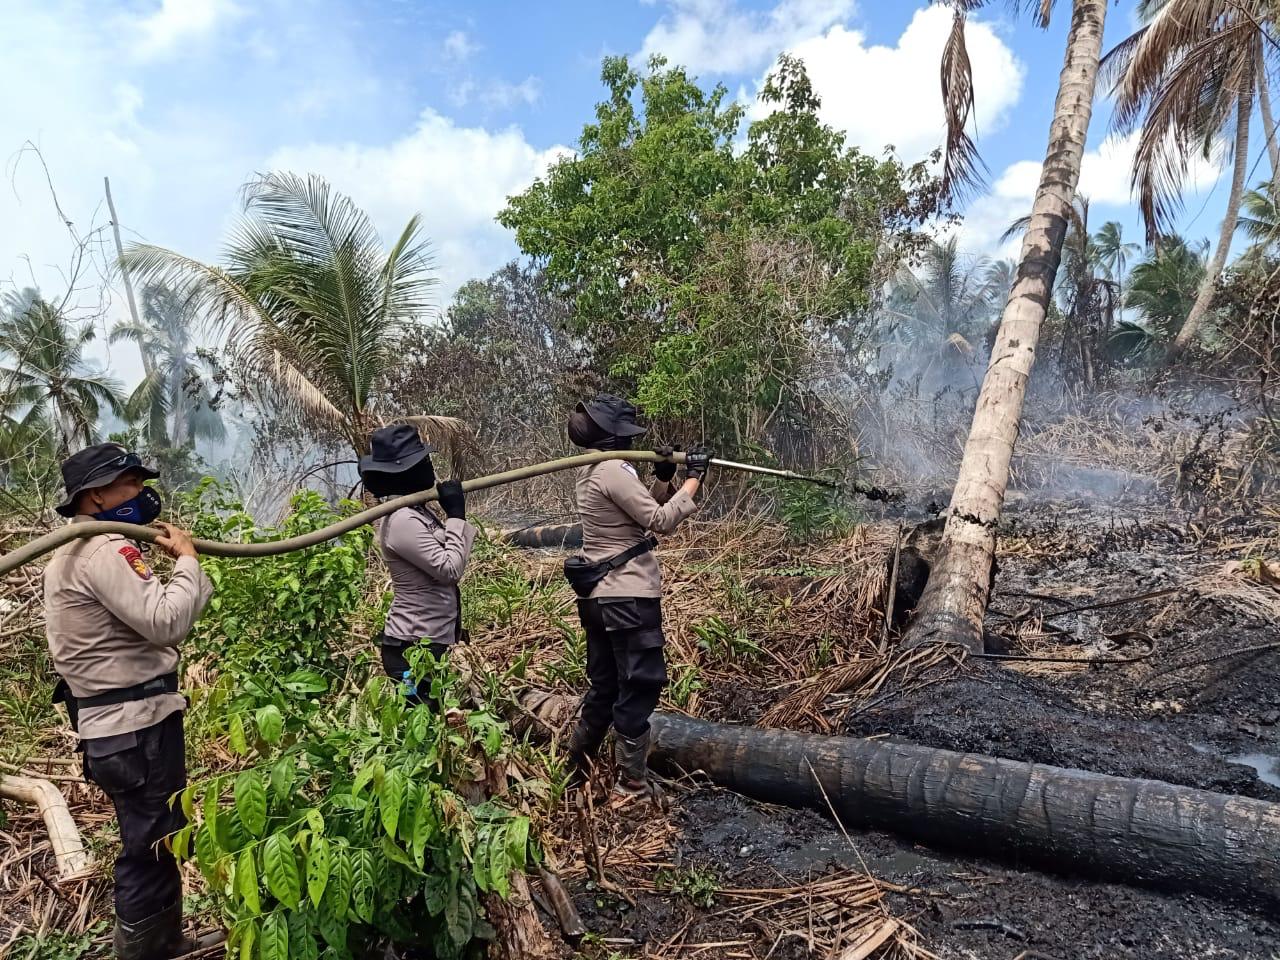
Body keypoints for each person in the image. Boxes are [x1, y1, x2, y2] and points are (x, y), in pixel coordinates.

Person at [43, 443, 213, 960]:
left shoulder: (71, 551)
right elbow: (166, 622)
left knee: (153, 838)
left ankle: (163, 941)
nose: (142, 494)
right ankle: (146, 951)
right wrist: (187, 562)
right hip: (136, 726)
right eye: (130, 484)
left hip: (115, 727)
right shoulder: (104, 549)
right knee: (150, 846)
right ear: (96, 495)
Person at [564, 394, 711, 796]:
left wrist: (663, 478)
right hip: (625, 595)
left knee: (606, 686)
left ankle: (575, 772)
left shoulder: (595, 468)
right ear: (617, 438)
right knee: (641, 683)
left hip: (601, 597)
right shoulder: (612, 469)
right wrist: (694, 479)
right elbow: (660, 521)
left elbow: (637, 512)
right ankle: (631, 783)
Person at [359, 423, 475, 705]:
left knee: (444, 721)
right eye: (423, 462)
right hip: (412, 648)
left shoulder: (416, 513)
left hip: (430, 643)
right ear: (405, 471)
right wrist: (457, 516)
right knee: (424, 728)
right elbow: (449, 570)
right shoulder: (402, 520)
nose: (429, 467)